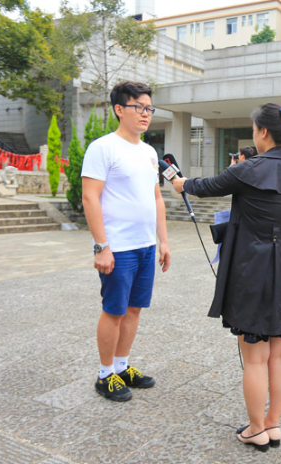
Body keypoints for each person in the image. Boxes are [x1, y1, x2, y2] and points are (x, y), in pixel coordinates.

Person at [171, 104, 281, 452]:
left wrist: (180, 182)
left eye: (254, 129)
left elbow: (204, 186)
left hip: (253, 270)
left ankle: (255, 428)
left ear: (264, 132)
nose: (254, 134)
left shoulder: (249, 169)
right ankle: (273, 425)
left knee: (254, 356)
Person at [81, 81, 171, 402]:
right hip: (117, 248)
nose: (146, 114)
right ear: (119, 109)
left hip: (146, 246)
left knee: (134, 310)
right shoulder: (102, 147)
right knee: (114, 310)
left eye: (149, 108)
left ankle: (122, 367)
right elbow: (90, 198)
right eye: (139, 107)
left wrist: (163, 241)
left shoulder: (149, 152)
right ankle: (105, 374)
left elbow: (156, 198)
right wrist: (101, 246)